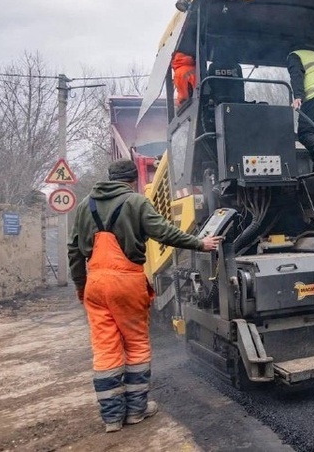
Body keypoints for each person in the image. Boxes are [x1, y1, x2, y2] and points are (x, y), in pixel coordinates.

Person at [68, 159, 222, 432]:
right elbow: (163, 232)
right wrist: (200, 243)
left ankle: (112, 418)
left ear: (109, 177)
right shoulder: (136, 202)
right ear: (133, 181)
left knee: (105, 348)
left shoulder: (84, 206)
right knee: (136, 344)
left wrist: (82, 286)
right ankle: (136, 411)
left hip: (95, 283)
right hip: (126, 282)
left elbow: (74, 251)